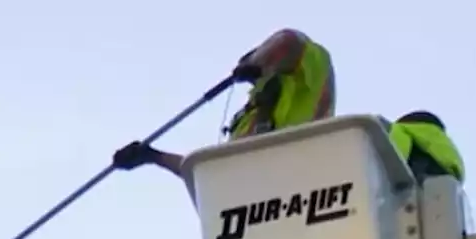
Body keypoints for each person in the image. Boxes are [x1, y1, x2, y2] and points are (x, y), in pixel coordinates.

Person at [111, 28, 337, 177]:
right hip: (261, 208)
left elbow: (290, 40)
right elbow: (210, 176)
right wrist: (152, 156)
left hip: (304, 184)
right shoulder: (247, 117)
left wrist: (260, 62)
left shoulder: (302, 77)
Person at [387, 110, 465, 182]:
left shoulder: (401, 127)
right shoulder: (444, 141)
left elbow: (398, 151)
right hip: (448, 180)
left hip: (425, 174)